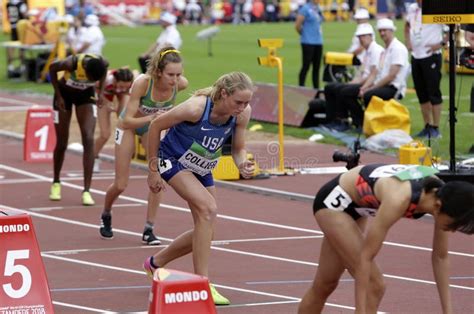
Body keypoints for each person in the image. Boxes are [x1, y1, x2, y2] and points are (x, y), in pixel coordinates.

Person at [142, 72, 256, 305]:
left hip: (202, 164)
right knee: (208, 210)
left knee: (206, 229)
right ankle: (202, 283)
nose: (243, 107)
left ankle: (155, 263)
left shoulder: (242, 114)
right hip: (172, 158)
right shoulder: (195, 108)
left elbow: (237, 149)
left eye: (246, 102)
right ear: (224, 94)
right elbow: (155, 126)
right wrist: (153, 170)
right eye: (238, 102)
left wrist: (242, 163)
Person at [298, 163, 474, 314]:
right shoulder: (399, 199)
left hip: (359, 207)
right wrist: (360, 310)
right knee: (375, 285)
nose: (452, 231)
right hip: (335, 202)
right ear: (438, 206)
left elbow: (440, 257)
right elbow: (365, 257)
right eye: (452, 225)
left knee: (325, 284)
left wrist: (448, 312)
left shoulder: (443, 195)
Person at [99, 47, 188, 245]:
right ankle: (106, 212)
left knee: (156, 178)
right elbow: (128, 120)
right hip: (129, 127)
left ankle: (149, 229)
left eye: (178, 74)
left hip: (151, 130)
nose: (175, 79)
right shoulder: (142, 84)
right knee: (121, 184)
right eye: (170, 74)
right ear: (158, 72)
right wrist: (153, 117)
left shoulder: (180, 84)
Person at [48, 53, 109, 206]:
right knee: (62, 142)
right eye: (89, 77)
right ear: (86, 69)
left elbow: (104, 71)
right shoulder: (71, 63)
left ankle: (86, 191)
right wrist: (58, 95)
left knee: (88, 138)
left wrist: (100, 93)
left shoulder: (101, 63)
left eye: (93, 80)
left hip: (86, 96)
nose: (91, 80)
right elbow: (51, 68)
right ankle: (56, 183)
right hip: (64, 95)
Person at [323, 23, 384, 131]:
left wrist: (362, 86)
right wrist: (352, 82)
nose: (361, 39)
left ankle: (352, 121)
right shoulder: (367, 51)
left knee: (344, 91)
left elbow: (373, 74)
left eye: (364, 36)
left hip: (372, 83)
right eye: (360, 37)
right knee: (330, 87)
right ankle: (333, 119)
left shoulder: (376, 50)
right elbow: (361, 73)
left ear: (371, 36)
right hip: (364, 81)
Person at [405, 0, 447, 138]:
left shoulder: (437, 7)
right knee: (421, 93)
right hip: (416, 55)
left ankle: (436, 127)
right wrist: (408, 41)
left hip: (431, 56)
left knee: (433, 92)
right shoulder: (412, 8)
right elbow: (407, 25)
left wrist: (440, 44)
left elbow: (452, 29)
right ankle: (427, 126)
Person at [93, 68, 135, 173]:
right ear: (115, 81)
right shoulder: (105, 80)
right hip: (104, 94)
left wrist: (118, 107)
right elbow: (95, 93)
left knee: (125, 125)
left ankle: (125, 158)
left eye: (126, 86)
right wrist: (107, 104)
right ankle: (93, 158)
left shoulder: (134, 82)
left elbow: (129, 97)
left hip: (121, 96)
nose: (123, 88)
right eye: (121, 86)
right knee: (105, 134)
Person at [295, 0, 324, 89]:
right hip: (308, 42)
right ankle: (301, 86)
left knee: (316, 67)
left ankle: (316, 88)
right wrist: (304, 34)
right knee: (306, 66)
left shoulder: (318, 8)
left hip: (318, 41)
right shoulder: (305, 8)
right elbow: (297, 25)